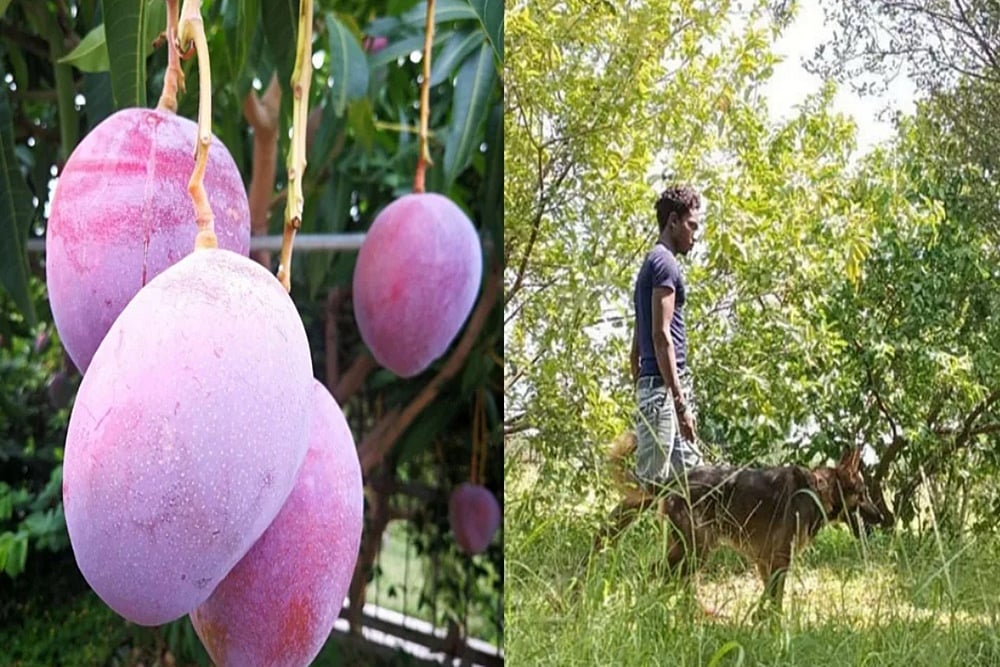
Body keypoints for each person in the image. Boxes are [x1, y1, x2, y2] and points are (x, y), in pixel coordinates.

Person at [630, 184, 703, 489]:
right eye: (691, 226)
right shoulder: (665, 264)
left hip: (659, 389)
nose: (695, 236)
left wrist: (642, 387)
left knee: (695, 486)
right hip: (665, 392)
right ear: (673, 221)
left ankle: (678, 540)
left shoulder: (652, 263)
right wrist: (678, 403)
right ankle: (604, 538)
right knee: (649, 487)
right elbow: (661, 336)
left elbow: (636, 348)